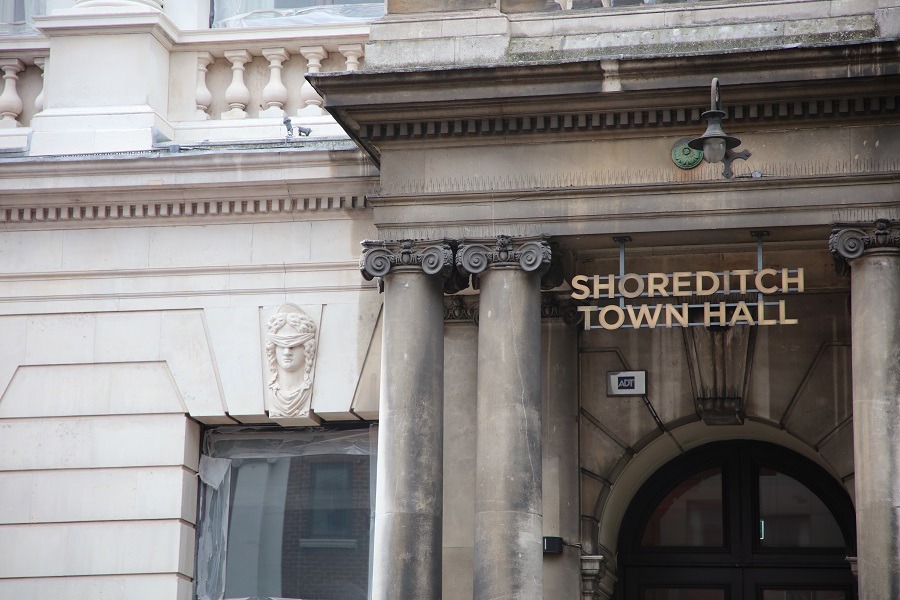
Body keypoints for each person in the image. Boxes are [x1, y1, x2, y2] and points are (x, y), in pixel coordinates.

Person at [264, 304, 317, 416]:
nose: (287, 352)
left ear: (307, 348)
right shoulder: (271, 391)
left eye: (293, 346)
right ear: (273, 349)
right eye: (281, 346)